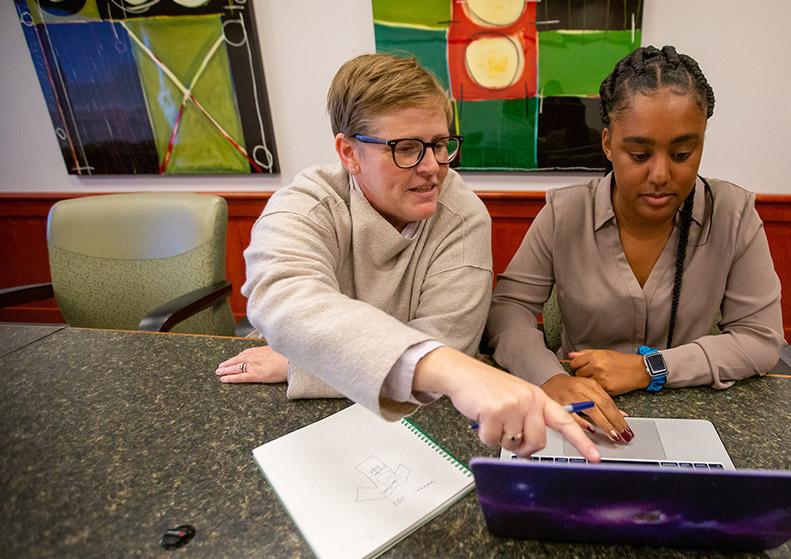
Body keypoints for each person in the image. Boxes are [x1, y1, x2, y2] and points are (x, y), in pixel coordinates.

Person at [220, 53, 597, 461]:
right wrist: (449, 369)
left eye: (438, 144)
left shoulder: (464, 216)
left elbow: (448, 343)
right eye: (407, 149)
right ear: (348, 153)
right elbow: (280, 295)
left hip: (407, 420)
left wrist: (298, 365)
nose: (433, 167)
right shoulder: (309, 202)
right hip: (297, 421)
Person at [486, 46, 785, 442]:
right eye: (639, 153)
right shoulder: (566, 212)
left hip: (692, 412)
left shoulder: (732, 214)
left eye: (682, 153)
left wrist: (651, 368)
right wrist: (551, 379)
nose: (660, 174)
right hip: (581, 410)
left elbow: (761, 339)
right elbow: (508, 309)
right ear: (608, 143)